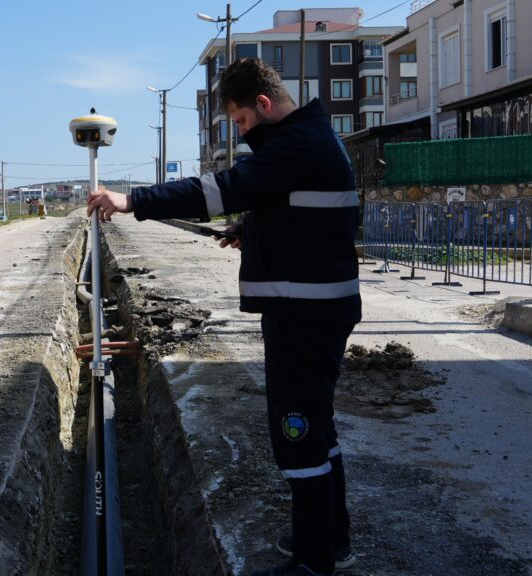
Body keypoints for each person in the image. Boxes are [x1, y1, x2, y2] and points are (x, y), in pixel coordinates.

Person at [86, 58, 361, 576]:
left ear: (262, 104)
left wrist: (132, 200)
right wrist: (254, 232)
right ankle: (330, 536)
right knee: (318, 426)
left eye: (239, 121)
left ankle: (313, 561)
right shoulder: (313, 139)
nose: (239, 131)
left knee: (297, 431)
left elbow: (219, 190)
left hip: (305, 313)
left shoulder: (296, 144)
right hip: (316, 306)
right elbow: (304, 214)